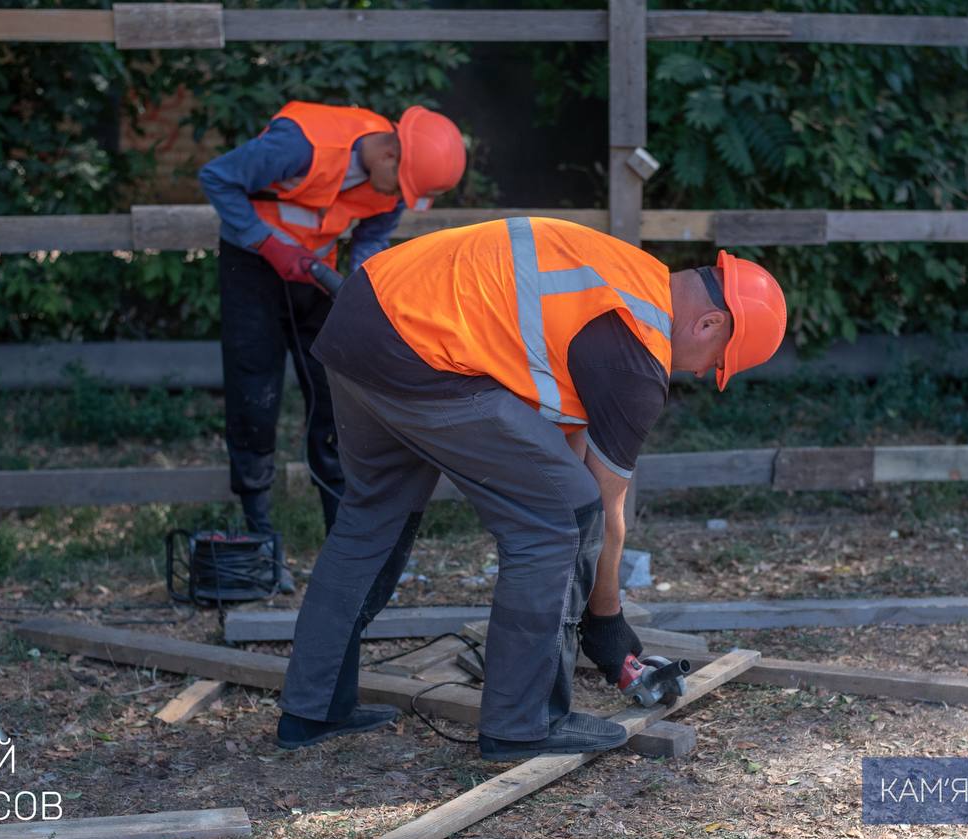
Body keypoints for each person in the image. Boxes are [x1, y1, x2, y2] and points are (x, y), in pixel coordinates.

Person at [275, 216, 787, 759]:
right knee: (562, 521)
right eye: (719, 363)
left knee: (372, 517)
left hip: (363, 317)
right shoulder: (638, 351)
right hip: (419, 349)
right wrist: (607, 625)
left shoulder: (624, 276)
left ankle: (314, 708)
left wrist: (595, 608)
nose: (706, 374)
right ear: (709, 323)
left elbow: (556, 457)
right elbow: (602, 508)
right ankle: (522, 724)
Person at [198, 100, 466, 591]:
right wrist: (266, 243)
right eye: (400, 187)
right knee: (254, 394)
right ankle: (259, 536)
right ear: (389, 155)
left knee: (335, 397)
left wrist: (364, 288)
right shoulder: (299, 146)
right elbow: (217, 178)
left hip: (314, 272)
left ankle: (343, 545)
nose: (399, 198)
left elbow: (371, 235)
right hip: (251, 268)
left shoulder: (397, 184)